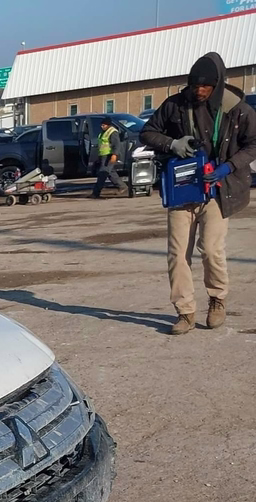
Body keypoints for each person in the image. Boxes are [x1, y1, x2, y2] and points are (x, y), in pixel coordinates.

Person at [140, 52, 256, 334]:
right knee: (177, 253)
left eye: (206, 86)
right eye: (195, 85)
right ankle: (185, 312)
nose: (199, 91)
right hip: (183, 189)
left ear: (217, 84)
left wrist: (229, 167)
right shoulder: (175, 105)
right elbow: (147, 133)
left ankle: (217, 299)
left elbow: (253, 144)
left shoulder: (237, 109)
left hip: (218, 189)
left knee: (211, 249)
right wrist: (172, 144)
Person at [90, 117, 126, 198]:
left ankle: (96, 193)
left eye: (104, 125)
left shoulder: (112, 132)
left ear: (108, 125)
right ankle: (122, 186)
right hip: (103, 155)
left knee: (102, 173)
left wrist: (114, 155)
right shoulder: (103, 132)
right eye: (101, 125)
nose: (102, 126)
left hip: (109, 156)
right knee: (110, 172)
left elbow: (116, 145)